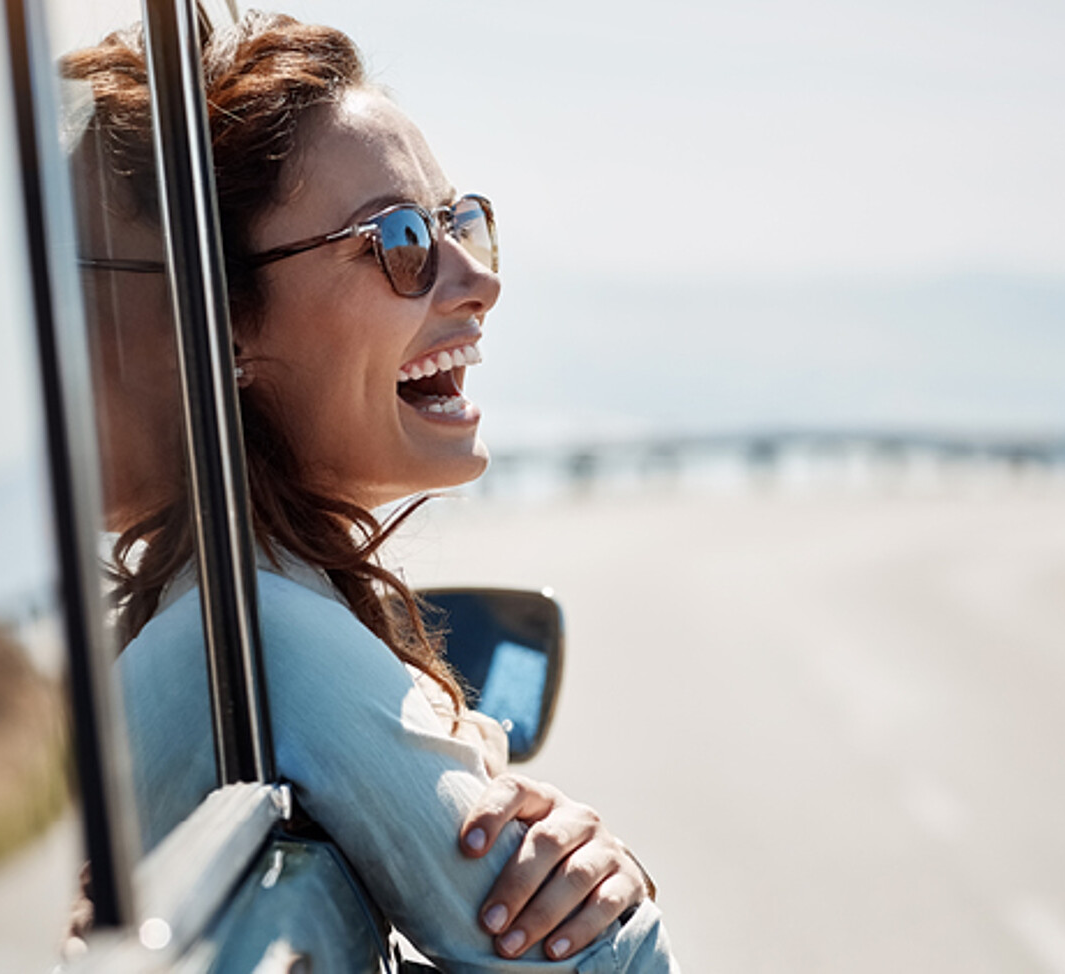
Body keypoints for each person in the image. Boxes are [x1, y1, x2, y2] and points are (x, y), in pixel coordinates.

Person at [63, 12, 678, 970]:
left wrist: (594, 866)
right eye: (397, 240)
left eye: (459, 221)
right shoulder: (261, 633)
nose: (478, 280)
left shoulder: (227, 610)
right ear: (222, 328)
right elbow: (607, 963)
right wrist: (611, 899)